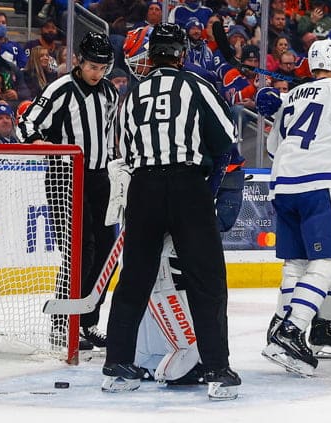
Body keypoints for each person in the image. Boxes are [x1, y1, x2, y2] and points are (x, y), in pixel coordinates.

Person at [103, 22, 240, 400]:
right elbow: (226, 141)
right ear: (181, 54)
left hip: (144, 188)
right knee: (206, 280)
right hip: (187, 187)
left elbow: (124, 150)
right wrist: (205, 188)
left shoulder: (131, 95)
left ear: (151, 55)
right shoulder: (196, 86)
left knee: (134, 279)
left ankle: (117, 365)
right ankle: (216, 368)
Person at [259, 39, 331, 377]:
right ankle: (292, 330)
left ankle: (281, 329)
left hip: (283, 184)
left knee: (296, 263)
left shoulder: (292, 96)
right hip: (319, 183)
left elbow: (273, 146)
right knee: (330, 261)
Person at [16, 31, 120, 350]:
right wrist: (39, 143)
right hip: (65, 175)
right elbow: (26, 125)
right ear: (78, 61)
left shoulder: (110, 95)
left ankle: (86, 321)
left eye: (102, 68)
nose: (96, 73)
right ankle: (62, 324)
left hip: (100, 178)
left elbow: (108, 136)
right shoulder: (60, 89)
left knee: (107, 253)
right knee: (80, 251)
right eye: (91, 66)